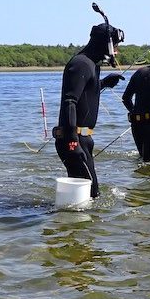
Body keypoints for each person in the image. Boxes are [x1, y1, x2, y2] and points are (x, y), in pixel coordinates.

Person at [55, 19, 126, 198]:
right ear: (105, 44)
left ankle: (73, 223)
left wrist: (103, 84)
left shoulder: (92, 65)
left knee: (90, 194)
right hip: (73, 139)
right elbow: (70, 102)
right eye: (115, 46)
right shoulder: (81, 64)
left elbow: (84, 94)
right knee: (91, 194)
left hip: (83, 138)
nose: (116, 51)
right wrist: (73, 143)